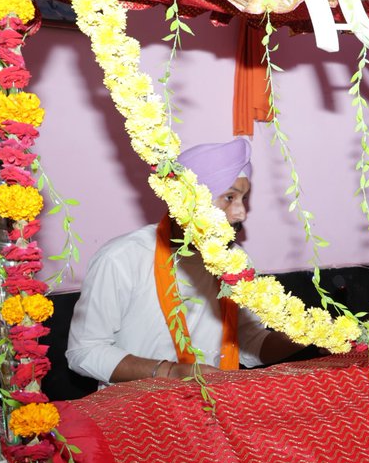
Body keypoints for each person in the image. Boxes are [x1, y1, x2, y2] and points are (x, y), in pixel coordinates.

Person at [67, 138, 301, 385]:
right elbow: (85, 351)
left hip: (215, 401)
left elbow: (248, 341)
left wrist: (304, 337)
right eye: (230, 197)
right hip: (135, 404)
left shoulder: (235, 260)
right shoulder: (122, 258)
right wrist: (171, 373)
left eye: (244, 198)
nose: (241, 213)